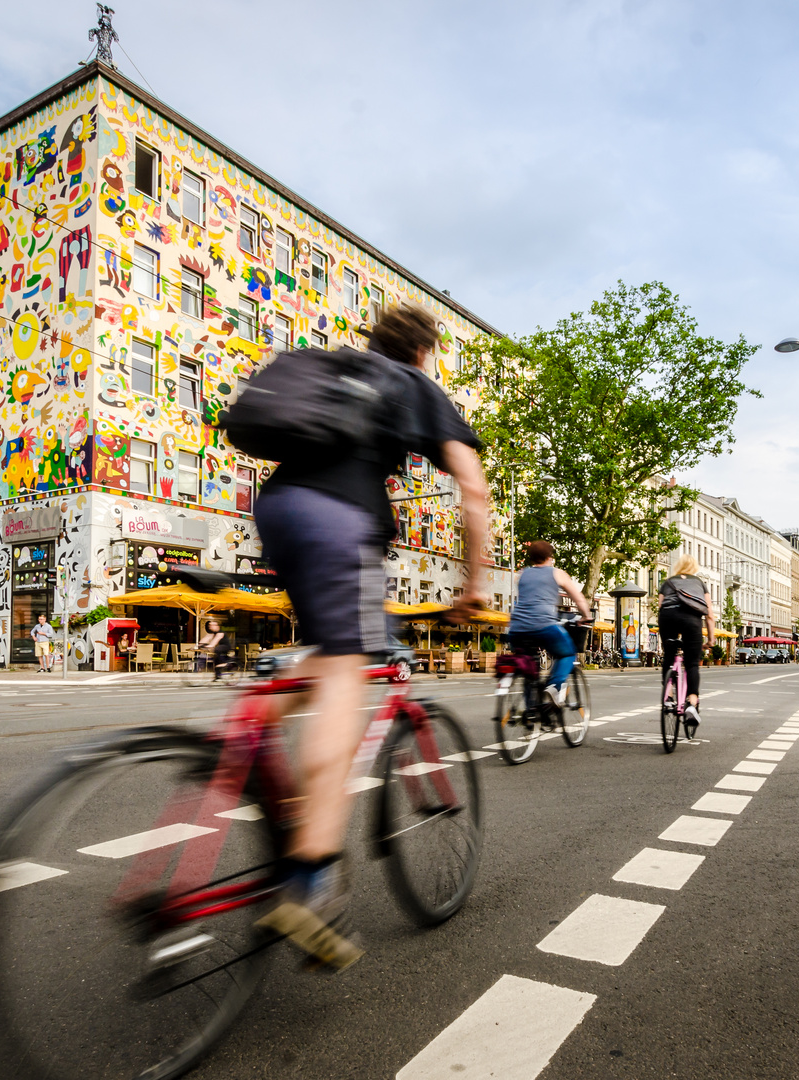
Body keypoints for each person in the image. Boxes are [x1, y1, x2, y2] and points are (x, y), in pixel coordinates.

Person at [249, 305, 490, 969]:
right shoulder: (412, 381)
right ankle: (311, 882)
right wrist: (474, 584)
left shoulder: (339, 370)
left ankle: (247, 728)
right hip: (338, 522)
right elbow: (472, 491)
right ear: (424, 352)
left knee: (329, 656)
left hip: (277, 510)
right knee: (345, 679)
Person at [507, 541, 594, 706]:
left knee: (529, 667)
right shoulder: (557, 573)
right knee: (567, 654)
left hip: (517, 629)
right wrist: (586, 615)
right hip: (544, 625)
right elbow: (578, 597)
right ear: (549, 557)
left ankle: (531, 711)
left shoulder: (522, 574)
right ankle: (554, 686)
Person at [657, 554, 716, 739]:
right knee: (691, 663)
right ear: (694, 568)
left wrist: (666, 637)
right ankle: (691, 703)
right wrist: (711, 639)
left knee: (669, 656)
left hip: (668, 618)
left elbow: (660, 607)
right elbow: (709, 615)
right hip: (691, 621)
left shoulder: (667, 583)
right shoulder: (699, 583)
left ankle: (668, 697)